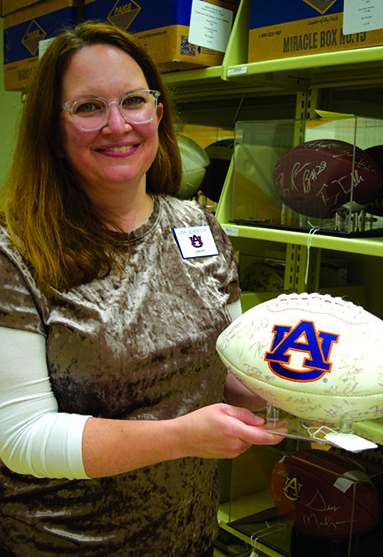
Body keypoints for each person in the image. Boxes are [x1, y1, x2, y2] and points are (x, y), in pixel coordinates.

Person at [0, 21, 281, 557]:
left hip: (189, 537)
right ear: (52, 133)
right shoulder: (16, 250)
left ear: (157, 113)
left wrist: (302, 393)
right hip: (64, 544)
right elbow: (21, 436)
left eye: (133, 100)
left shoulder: (198, 226)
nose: (117, 124)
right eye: (87, 107)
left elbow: (227, 370)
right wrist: (182, 437)